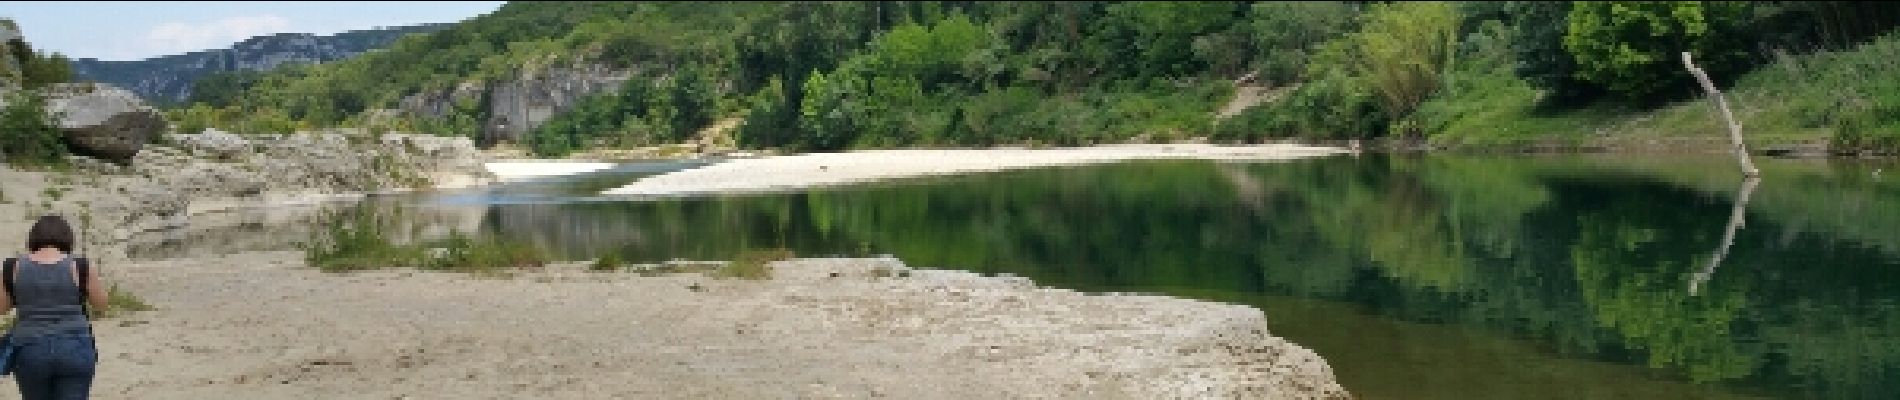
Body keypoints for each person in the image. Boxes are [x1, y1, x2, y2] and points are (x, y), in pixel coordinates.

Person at [1, 215, 106, 400]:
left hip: (30, 346)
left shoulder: (12, 267)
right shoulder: (80, 266)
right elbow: (101, 304)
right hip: (75, 344)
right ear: (67, 237)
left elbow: (2, 308)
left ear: (33, 238)